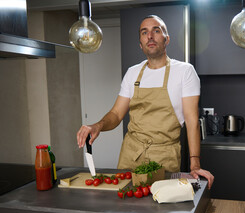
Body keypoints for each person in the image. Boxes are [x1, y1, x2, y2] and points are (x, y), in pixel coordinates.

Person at [77, 15, 214, 188]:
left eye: (156, 30)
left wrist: (195, 164)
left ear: (167, 39)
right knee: (125, 204)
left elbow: (192, 120)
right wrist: (97, 126)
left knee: (160, 209)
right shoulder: (132, 73)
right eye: (144, 32)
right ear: (140, 43)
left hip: (164, 157)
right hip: (131, 154)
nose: (150, 36)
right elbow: (116, 114)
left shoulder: (185, 72)